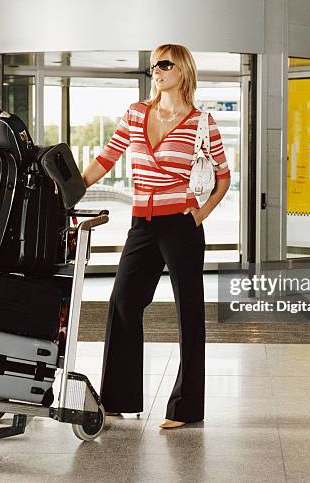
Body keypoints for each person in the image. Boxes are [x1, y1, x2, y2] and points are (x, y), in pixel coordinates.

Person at [81, 44, 231, 429]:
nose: (156, 71)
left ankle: (185, 409)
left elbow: (223, 175)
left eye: (163, 64)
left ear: (181, 69)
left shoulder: (202, 122)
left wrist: (200, 215)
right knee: (123, 303)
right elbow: (106, 159)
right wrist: (70, 189)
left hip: (181, 225)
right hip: (142, 224)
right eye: (153, 66)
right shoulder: (136, 113)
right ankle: (117, 399)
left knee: (189, 313)